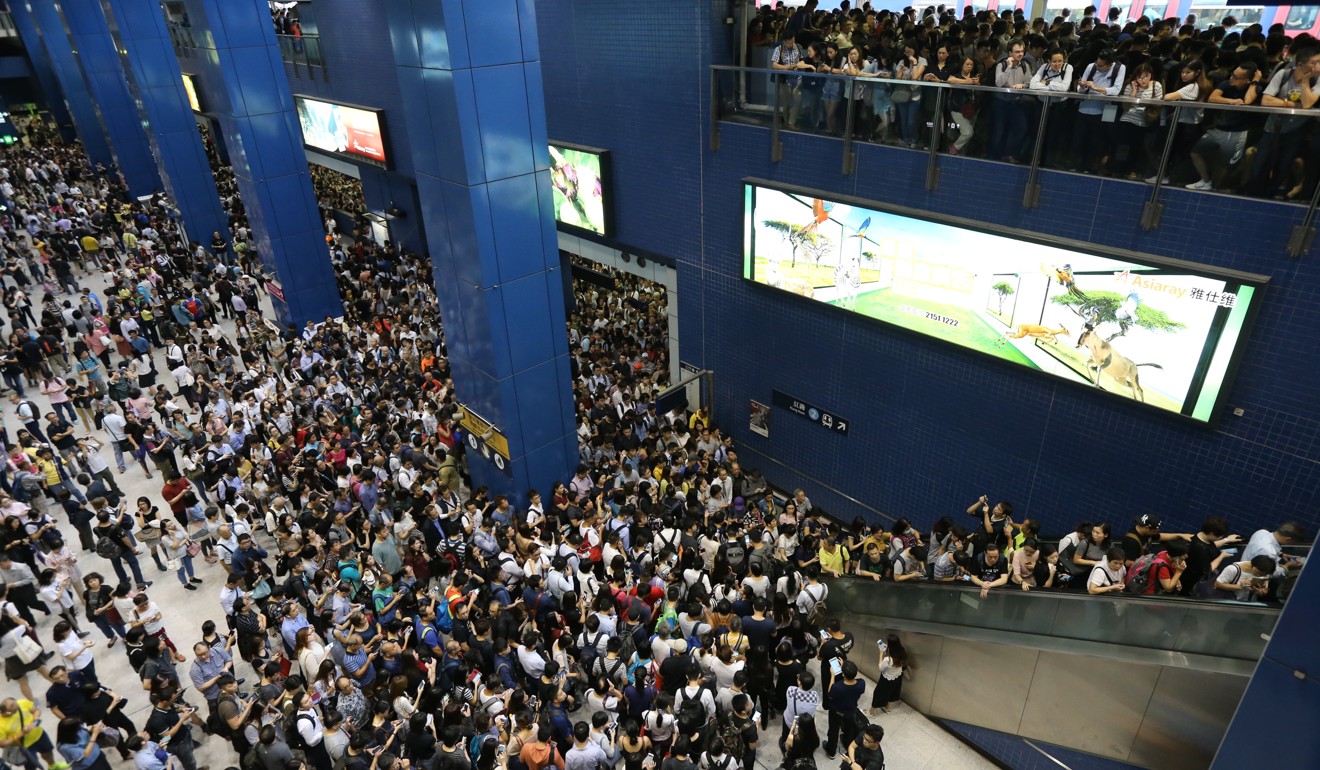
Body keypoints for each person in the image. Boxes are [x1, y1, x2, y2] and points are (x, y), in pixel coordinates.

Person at [869, 635, 906, 715]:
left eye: (887, 643)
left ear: (890, 645)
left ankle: (872, 712)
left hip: (886, 679)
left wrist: (881, 654)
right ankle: (888, 707)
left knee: (878, 694)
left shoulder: (888, 660)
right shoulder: (902, 652)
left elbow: (881, 668)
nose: (886, 643)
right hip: (897, 677)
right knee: (892, 692)